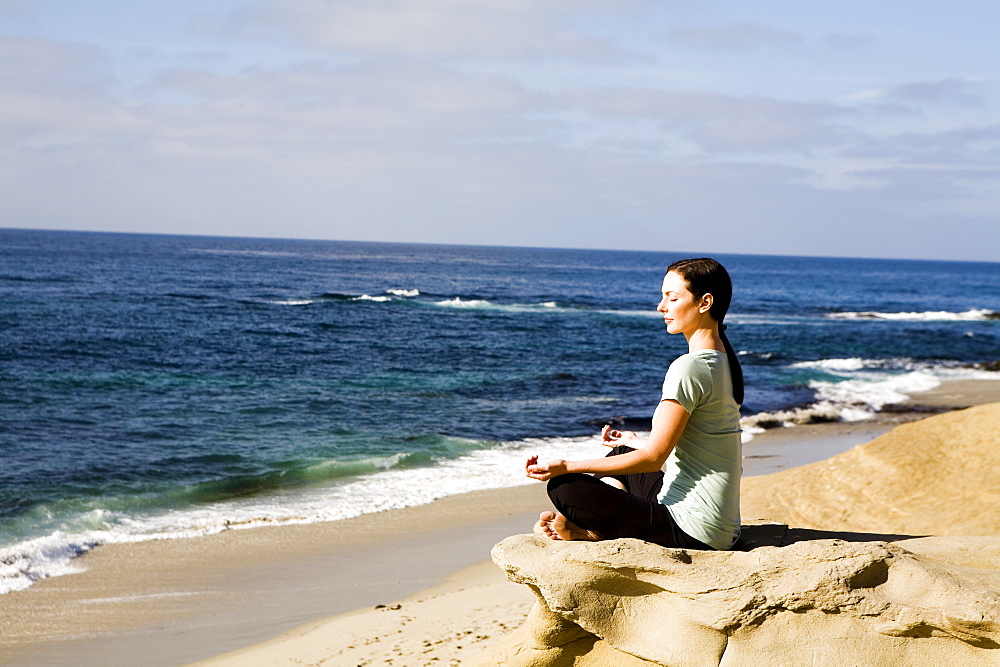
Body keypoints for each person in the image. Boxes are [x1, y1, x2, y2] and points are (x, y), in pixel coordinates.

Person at [525, 257, 744, 551]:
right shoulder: (724, 361)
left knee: (564, 487)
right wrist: (634, 440)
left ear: (704, 302)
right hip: (718, 523)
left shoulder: (690, 367)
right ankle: (605, 522)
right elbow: (697, 442)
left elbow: (654, 459)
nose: (661, 306)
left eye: (672, 297)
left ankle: (598, 531)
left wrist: (566, 466)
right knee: (622, 451)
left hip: (694, 529)